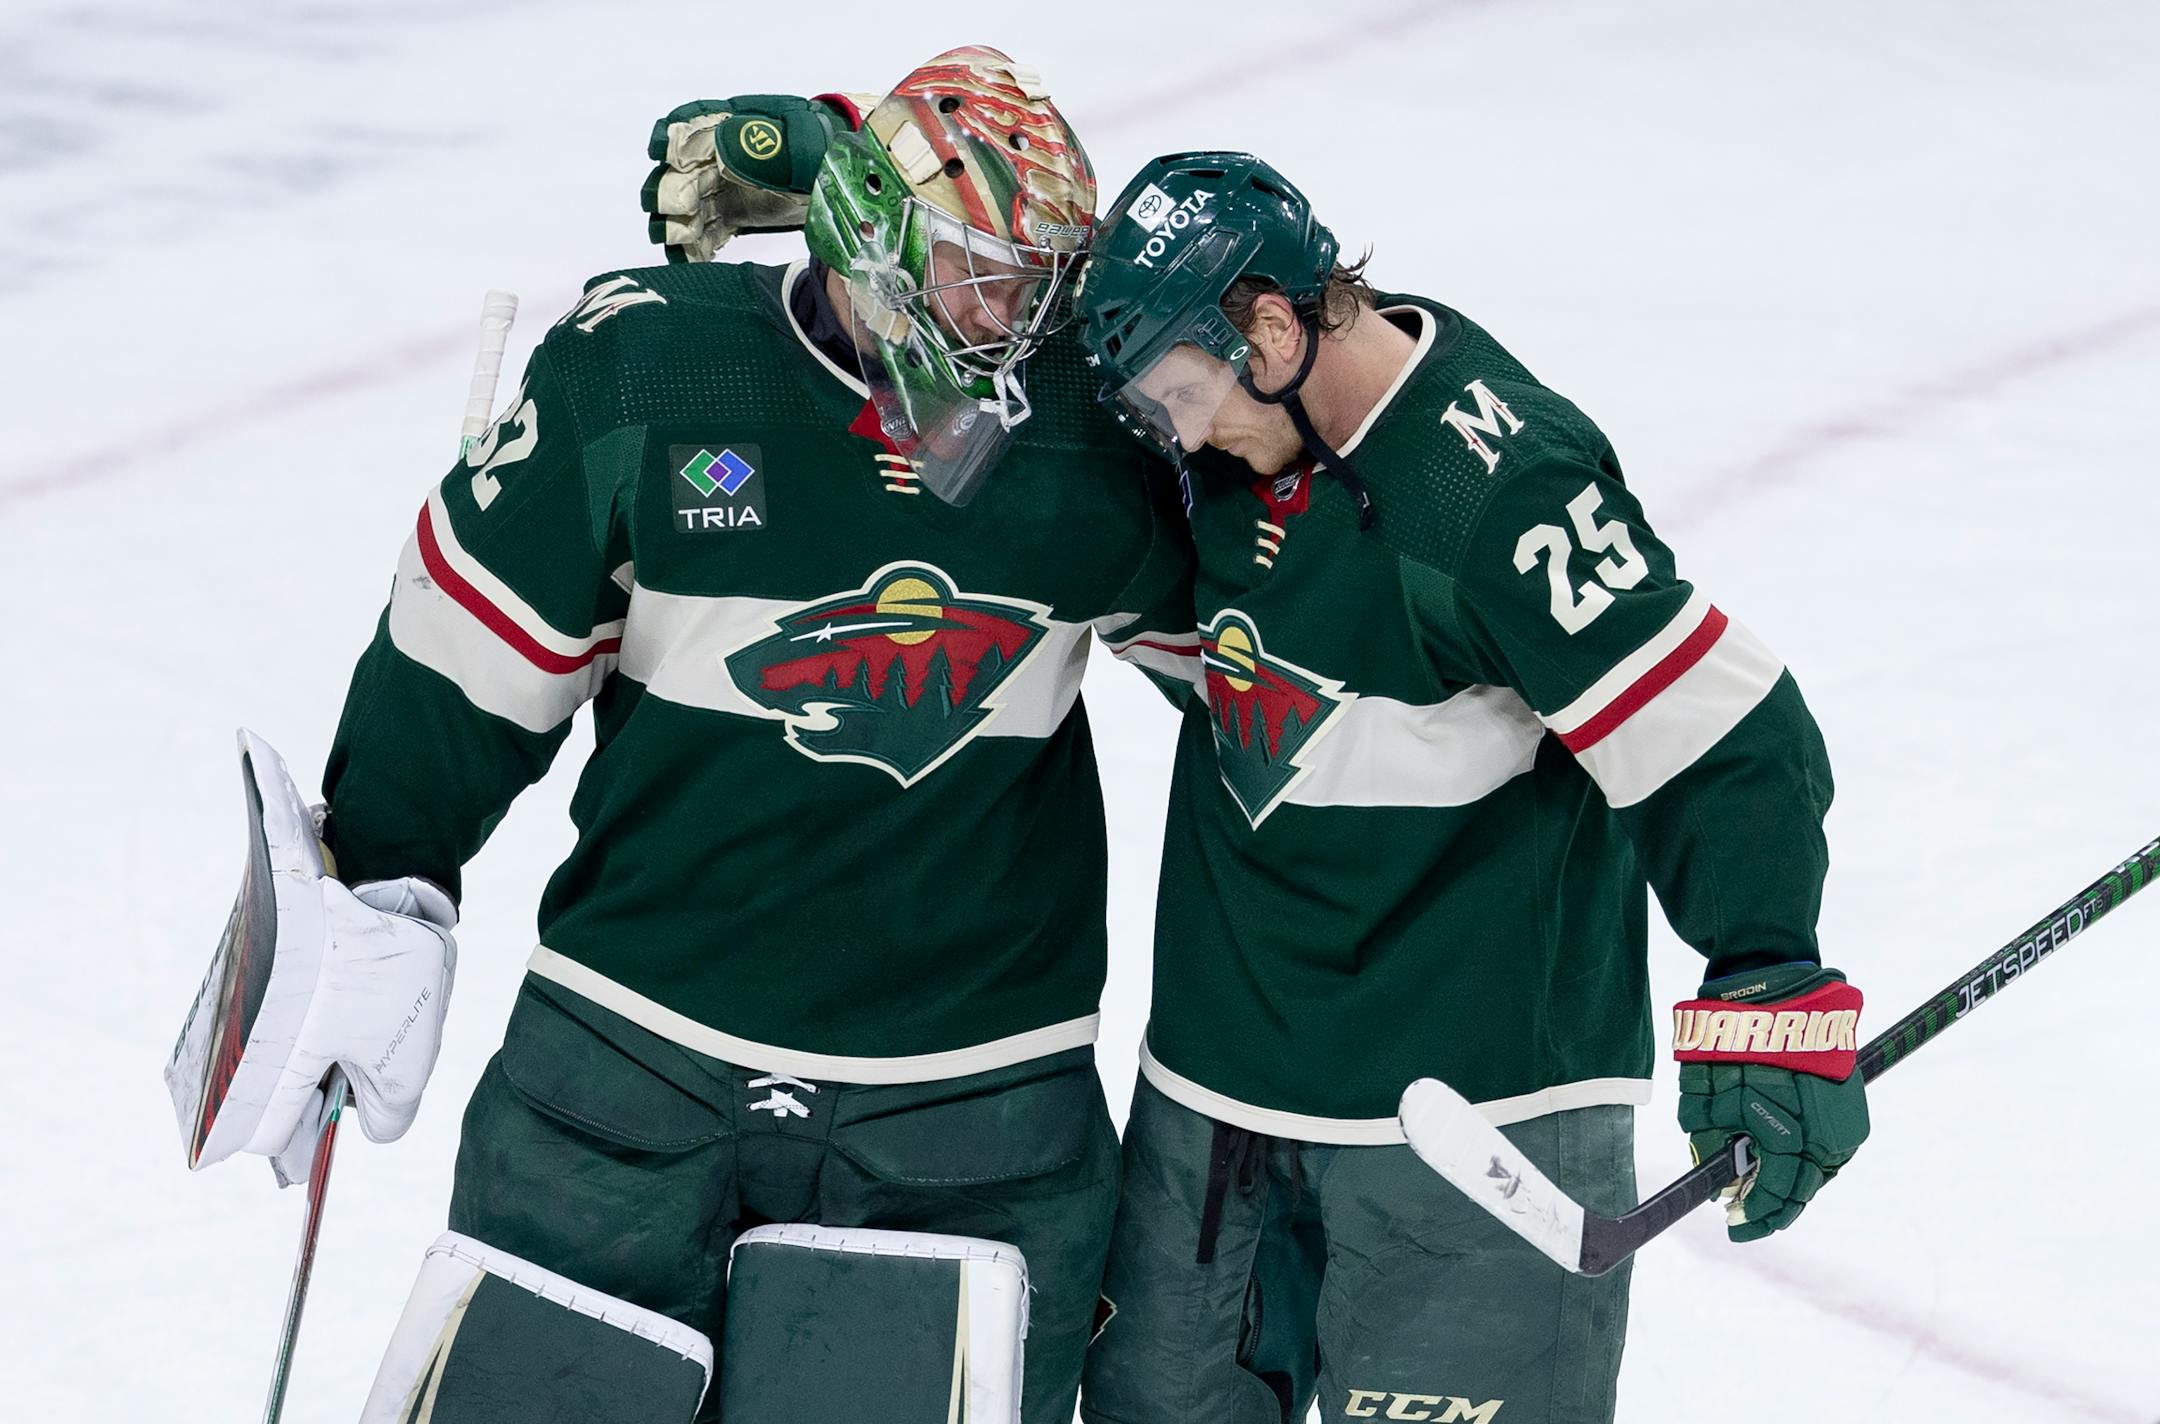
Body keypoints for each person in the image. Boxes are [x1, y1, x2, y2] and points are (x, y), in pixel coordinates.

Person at [199, 48, 1196, 1424]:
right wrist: (376, 887)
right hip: (633, 1062)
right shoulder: (649, 369)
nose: (1016, 322)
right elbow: (460, 671)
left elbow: (1276, 669)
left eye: (1039, 283)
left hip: (964, 1099)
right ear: (877, 239)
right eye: (980, 272)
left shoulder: (1096, 437)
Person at [1068, 153, 1869, 1424]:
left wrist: (1766, 972)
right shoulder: (1225, 437)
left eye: (1183, 392)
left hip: (1484, 1121)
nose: (1174, 430)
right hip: (1215, 1109)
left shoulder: (1495, 488)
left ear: (1273, 328)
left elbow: (1727, 737)